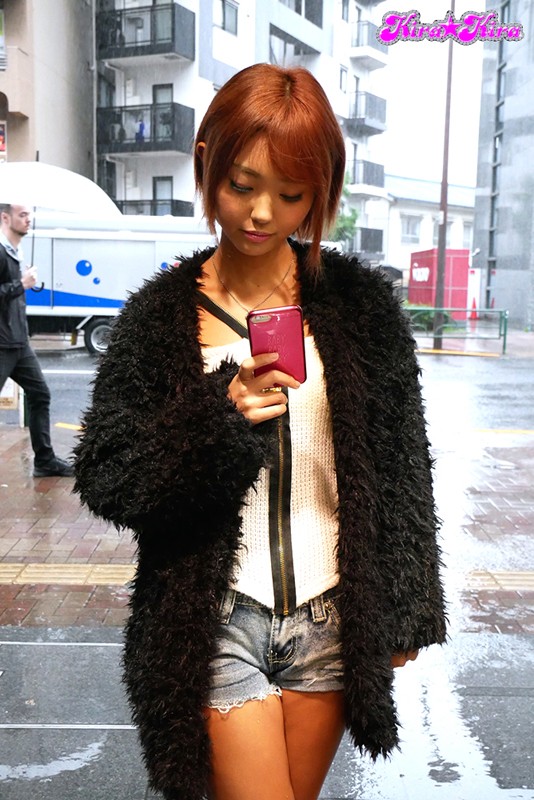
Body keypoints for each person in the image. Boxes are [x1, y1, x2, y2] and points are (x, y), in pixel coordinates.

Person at [74, 64, 447, 800]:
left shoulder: (360, 307)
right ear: (206, 164)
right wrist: (220, 418)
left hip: (333, 617)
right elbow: (107, 473)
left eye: (292, 194)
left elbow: (403, 468)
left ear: (321, 192)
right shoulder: (160, 317)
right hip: (213, 617)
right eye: (242, 185)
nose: (262, 213)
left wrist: (407, 610)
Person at [0, 204, 74, 477]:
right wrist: (21, 284)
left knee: (40, 394)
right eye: (22, 215)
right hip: (2, 344)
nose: (28, 220)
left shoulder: (14, 252)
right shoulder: (1, 252)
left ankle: (44, 461)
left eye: (29, 215)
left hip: (18, 343)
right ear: (5, 217)